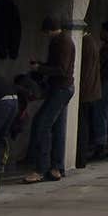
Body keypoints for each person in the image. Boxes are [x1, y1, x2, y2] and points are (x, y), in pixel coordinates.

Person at [23, 15, 75, 184]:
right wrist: (41, 65)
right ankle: (56, 168)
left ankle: (41, 168)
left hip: (60, 89)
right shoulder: (62, 41)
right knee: (58, 128)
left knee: (42, 124)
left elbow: (61, 69)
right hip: (62, 88)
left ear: (49, 30)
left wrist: (40, 68)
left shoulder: (62, 42)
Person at [76, 26, 102, 168]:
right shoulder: (92, 42)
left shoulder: (85, 44)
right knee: (85, 124)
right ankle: (81, 157)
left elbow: (84, 71)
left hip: (85, 92)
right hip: (91, 91)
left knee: (82, 125)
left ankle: (80, 158)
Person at [92, 21, 108, 159]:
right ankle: (104, 143)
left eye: (103, 31)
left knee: (100, 113)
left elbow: (100, 67)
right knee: (105, 114)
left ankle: (101, 144)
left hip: (106, 83)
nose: (100, 34)